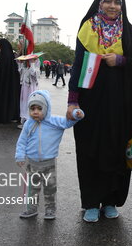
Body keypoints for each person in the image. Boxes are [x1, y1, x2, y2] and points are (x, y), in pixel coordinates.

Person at [67, 0, 132, 223]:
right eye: (108, 1)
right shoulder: (87, 28)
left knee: (116, 148)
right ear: (100, 3)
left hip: (121, 104)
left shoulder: (127, 32)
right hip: (91, 102)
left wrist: (120, 60)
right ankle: (91, 201)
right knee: (91, 148)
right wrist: (72, 100)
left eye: (117, 2)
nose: (113, 6)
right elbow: (78, 64)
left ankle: (110, 200)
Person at [16, 90, 84, 219]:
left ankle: (50, 210)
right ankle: (31, 209)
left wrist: (77, 114)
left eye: (39, 108)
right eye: (32, 108)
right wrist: (20, 155)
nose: (35, 112)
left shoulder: (54, 121)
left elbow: (68, 122)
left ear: (46, 108)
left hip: (49, 162)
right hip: (32, 163)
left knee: (50, 188)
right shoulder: (28, 124)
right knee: (32, 189)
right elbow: (22, 141)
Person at [0, 38, 21, 124]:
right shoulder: (10, 57)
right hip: (11, 86)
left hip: (3, 86)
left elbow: (2, 70)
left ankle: (2, 117)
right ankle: (10, 116)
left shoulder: (4, 57)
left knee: (2, 99)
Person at [18, 56, 41, 125]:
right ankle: (24, 119)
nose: (30, 61)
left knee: (30, 102)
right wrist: (21, 63)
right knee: (24, 103)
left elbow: (33, 73)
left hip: (31, 88)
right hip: (25, 88)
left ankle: (29, 121)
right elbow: (20, 72)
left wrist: (33, 63)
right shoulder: (26, 68)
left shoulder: (36, 69)